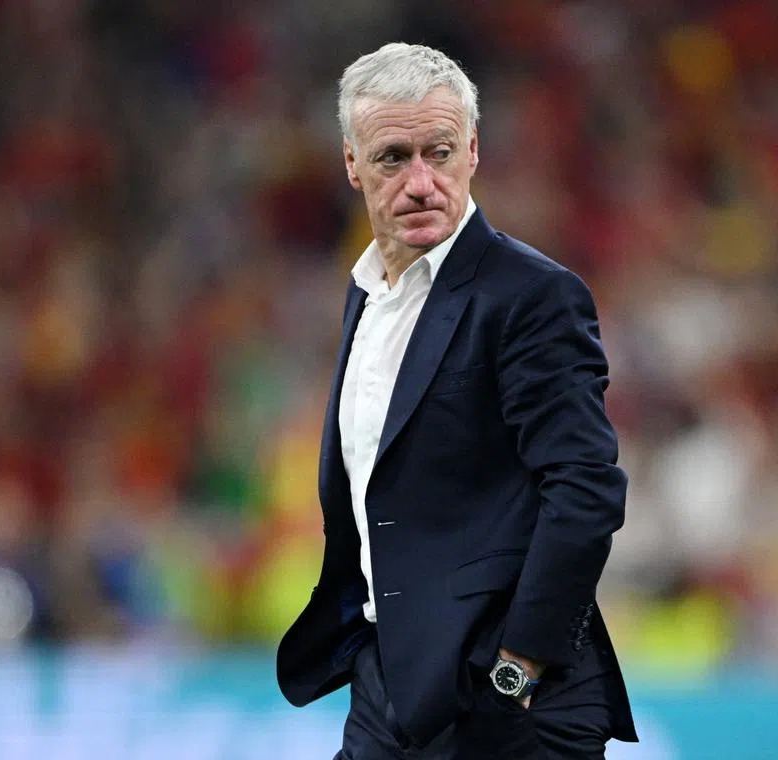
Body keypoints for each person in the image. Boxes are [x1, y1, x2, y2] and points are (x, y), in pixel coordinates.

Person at [276, 42, 637, 759]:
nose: (420, 182)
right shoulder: (367, 292)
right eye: (393, 158)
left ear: (472, 151)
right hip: (390, 685)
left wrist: (516, 670)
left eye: (438, 153)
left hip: (504, 703)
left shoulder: (532, 296)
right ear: (352, 165)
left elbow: (587, 488)